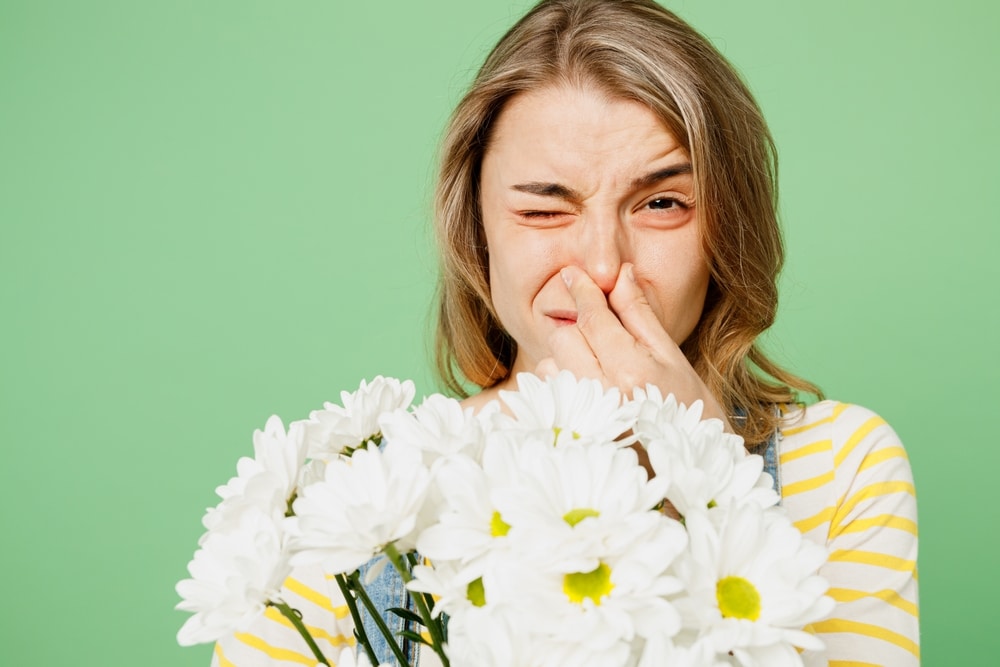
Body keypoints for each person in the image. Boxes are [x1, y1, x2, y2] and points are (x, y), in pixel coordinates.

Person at [212, 1, 919, 665]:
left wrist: (703, 489)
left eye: (663, 203)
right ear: (476, 231)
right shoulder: (337, 506)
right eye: (545, 210)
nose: (604, 266)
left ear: (727, 228)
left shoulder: (844, 467)